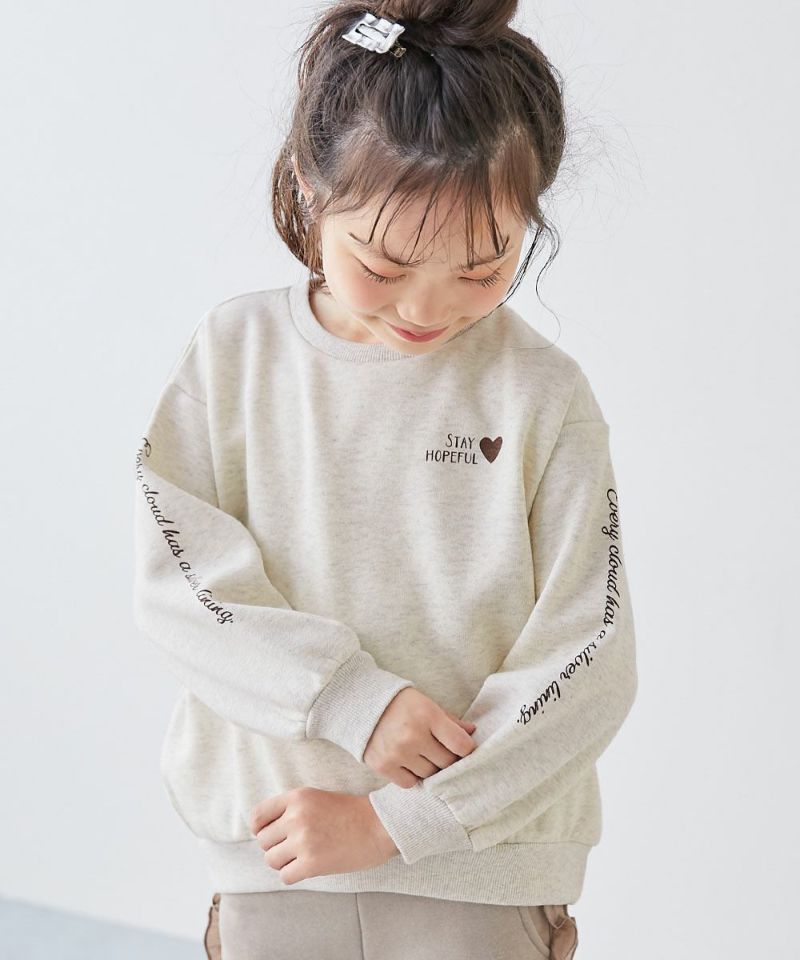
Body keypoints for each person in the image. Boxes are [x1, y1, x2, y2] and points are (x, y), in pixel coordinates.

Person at [132, 2, 638, 957]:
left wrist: (406, 821)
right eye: (385, 263)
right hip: (275, 860)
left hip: (484, 873)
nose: (427, 306)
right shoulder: (234, 355)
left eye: (483, 268)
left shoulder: (544, 393)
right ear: (309, 186)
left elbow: (590, 654)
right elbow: (178, 585)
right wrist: (349, 702)